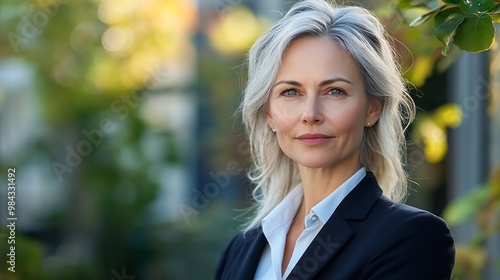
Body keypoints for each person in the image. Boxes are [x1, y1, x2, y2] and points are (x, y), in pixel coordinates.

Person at [214, 0, 455, 279]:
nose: (310, 114)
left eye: (335, 91)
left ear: (372, 108)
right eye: (291, 92)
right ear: (269, 113)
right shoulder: (240, 250)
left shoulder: (412, 238)